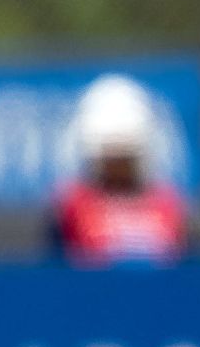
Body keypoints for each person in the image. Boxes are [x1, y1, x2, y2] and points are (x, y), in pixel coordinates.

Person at [50, 73, 189, 265]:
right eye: (111, 156)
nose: (118, 167)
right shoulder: (72, 207)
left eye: (124, 156)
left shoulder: (168, 206)